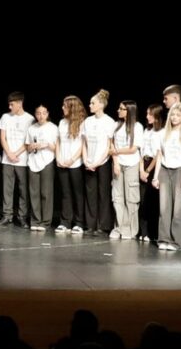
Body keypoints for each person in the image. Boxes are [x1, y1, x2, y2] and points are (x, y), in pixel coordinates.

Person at [153, 103, 181, 251]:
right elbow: (159, 156)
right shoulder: (163, 133)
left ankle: (177, 242)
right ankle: (164, 239)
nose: (175, 118)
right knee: (164, 207)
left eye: (178, 115)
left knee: (179, 208)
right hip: (164, 170)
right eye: (173, 115)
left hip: (180, 170)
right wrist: (155, 177)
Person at [109, 100, 145, 241]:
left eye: (122, 109)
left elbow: (133, 149)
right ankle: (118, 227)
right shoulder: (116, 125)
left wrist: (116, 151)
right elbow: (111, 144)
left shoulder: (137, 127)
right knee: (117, 197)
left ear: (129, 111)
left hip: (132, 164)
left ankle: (130, 229)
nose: (118, 110)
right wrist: (116, 163)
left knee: (131, 198)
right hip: (119, 164)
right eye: (119, 108)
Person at [0, 92, 34, 227]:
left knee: (23, 189)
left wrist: (16, 154)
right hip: (7, 159)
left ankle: (22, 216)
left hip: (22, 160)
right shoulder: (5, 117)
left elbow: (28, 141)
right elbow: (2, 137)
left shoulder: (30, 119)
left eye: (12, 104)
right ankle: (7, 215)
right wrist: (9, 153)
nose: (10, 107)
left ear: (20, 103)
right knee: (7, 189)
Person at [82, 89, 114, 235]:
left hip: (103, 162)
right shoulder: (87, 121)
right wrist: (85, 160)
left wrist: (97, 162)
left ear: (101, 104)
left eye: (92, 103)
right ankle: (90, 225)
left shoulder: (109, 122)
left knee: (103, 194)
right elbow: (84, 143)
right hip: (89, 162)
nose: (90, 105)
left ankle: (103, 225)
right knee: (90, 194)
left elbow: (109, 145)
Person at [55, 95, 87, 234]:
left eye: (65, 106)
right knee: (65, 193)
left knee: (77, 193)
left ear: (72, 108)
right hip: (62, 163)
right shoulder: (62, 122)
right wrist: (58, 158)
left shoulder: (82, 123)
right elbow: (58, 142)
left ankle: (79, 223)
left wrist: (72, 159)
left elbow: (83, 144)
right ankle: (65, 222)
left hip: (76, 164)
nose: (62, 108)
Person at [25, 104, 59, 231]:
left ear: (47, 114)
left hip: (47, 161)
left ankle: (45, 222)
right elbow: (27, 147)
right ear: (35, 114)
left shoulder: (53, 128)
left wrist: (46, 145)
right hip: (33, 162)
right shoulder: (31, 128)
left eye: (43, 113)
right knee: (34, 192)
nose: (41, 116)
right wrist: (32, 147)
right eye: (38, 113)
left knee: (46, 192)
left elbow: (57, 148)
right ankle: (35, 220)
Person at [137, 104, 163, 243]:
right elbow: (141, 151)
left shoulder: (161, 132)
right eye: (147, 114)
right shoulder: (146, 130)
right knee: (142, 200)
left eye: (150, 114)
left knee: (152, 200)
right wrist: (142, 169)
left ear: (157, 116)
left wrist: (148, 171)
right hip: (144, 163)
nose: (147, 116)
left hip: (154, 166)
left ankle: (153, 232)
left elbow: (158, 153)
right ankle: (143, 231)